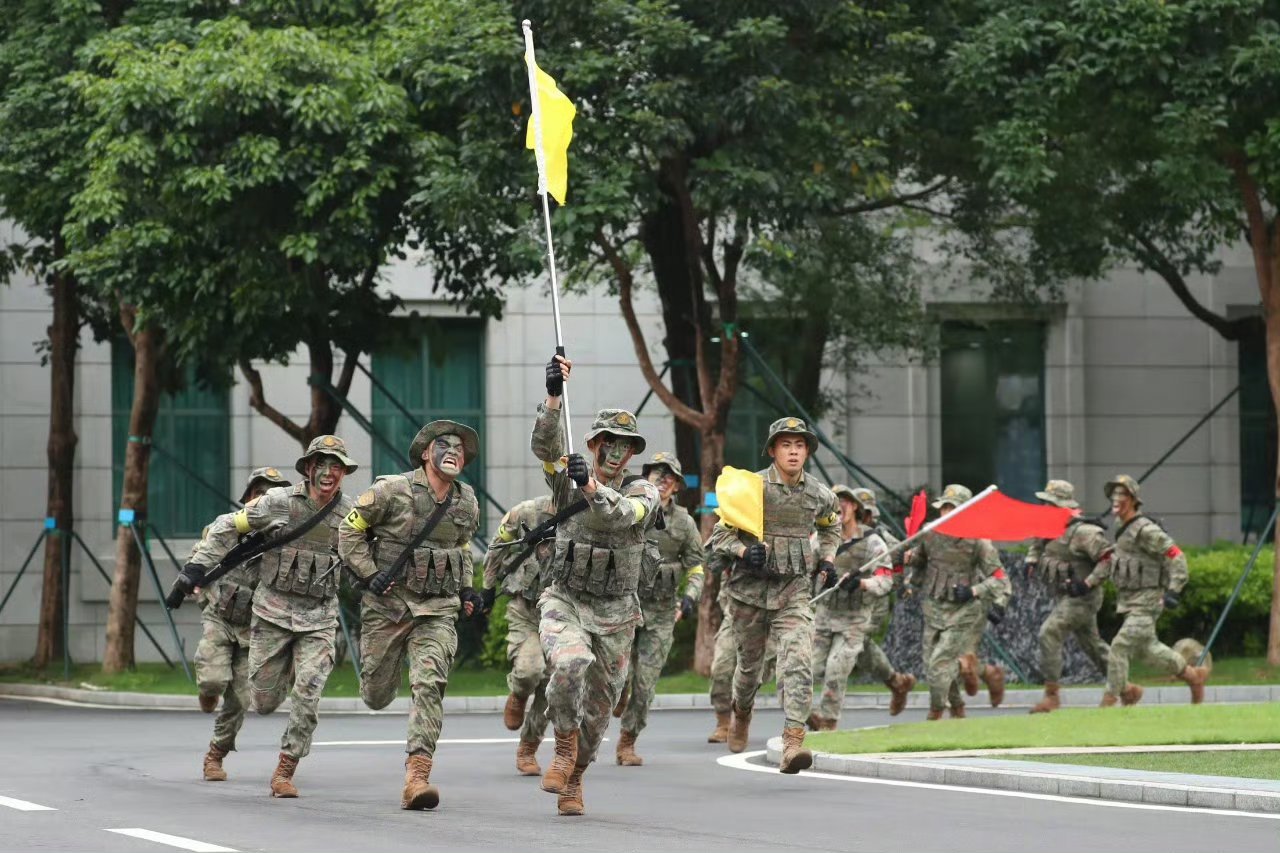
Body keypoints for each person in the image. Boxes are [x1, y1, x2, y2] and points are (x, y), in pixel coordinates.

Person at [182, 435, 356, 797]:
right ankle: (237, 689)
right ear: (308, 468)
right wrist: (196, 567)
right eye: (321, 464)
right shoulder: (278, 505)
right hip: (269, 616)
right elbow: (228, 526)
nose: (329, 473)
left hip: (319, 619)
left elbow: (373, 550)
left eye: (337, 466)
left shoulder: (349, 516)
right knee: (261, 700)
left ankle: (284, 770)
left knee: (308, 694)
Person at [532, 354, 660, 816]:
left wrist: (592, 489)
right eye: (606, 441)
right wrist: (552, 397)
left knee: (600, 712)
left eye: (624, 445)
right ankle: (561, 749)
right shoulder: (568, 475)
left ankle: (577, 774)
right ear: (592, 443)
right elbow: (545, 450)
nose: (614, 451)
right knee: (569, 663)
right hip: (564, 599)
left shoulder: (645, 492)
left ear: (632, 454)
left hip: (617, 614)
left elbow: (623, 515)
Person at [338, 420, 484, 810]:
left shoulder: (466, 501)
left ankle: (417, 776)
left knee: (430, 683)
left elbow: (462, 546)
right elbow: (348, 532)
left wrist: (467, 588)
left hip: (437, 609)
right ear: (425, 453)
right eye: (444, 444)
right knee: (376, 694)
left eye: (460, 448)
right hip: (388, 607)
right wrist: (369, 575)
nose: (454, 450)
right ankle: (379, 681)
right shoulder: (390, 490)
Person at [709, 417, 840, 774]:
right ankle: (741, 713)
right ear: (772, 451)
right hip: (748, 594)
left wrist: (828, 559)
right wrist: (741, 552)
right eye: (786, 444)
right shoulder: (751, 489)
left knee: (798, 661)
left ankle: (793, 743)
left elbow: (833, 525)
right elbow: (718, 538)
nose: (794, 450)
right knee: (749, 670)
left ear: (808, 452)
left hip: (793, 592)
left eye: (800, 445)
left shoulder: (819, 494)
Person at [190, 467, 291, 781]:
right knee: (212, 680)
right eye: (259, 492)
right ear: (248, 497)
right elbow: (200, 557)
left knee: (239, 699)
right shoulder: (224, 527)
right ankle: (207, 690)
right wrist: (195, 583)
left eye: (272, 495)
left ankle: (215, 757)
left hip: (253, 628)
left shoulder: (283, 539)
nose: (264, 499)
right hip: (219, 616)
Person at [1074, 475, 1208, 707]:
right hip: (1129, 601)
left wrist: (1174, 589)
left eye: (1122, 494)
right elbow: (1114, 559)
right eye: (1113, 494)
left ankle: (1109, 701)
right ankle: (1192, 676)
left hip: (1148, 600)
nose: (1116, 499)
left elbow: (1176, 554)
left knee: (1119, 645)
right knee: (1150, 650)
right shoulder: (1121, 528)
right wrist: (1088, 582)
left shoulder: (1145, 529)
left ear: (1134, 500)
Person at [615, 452, 706, 766]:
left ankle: (628, 741)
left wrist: (690, 598)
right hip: (625, 603)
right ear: (646, 477)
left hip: (664, 610)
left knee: (646, 682)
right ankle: (618, 691)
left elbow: (696, 566)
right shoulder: (630, 509)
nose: (663, 480)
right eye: (657, 473)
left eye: (670, 476)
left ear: (677, 485)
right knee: (616, 673)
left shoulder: (684, 523)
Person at [905, 484, 1010, 720]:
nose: (946, 513)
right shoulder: (929, 534)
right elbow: (919, 563)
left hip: (964, 611)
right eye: (944, 508)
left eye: (953, 508)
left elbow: (999, 578)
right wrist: (909, 560)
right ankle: (958, 705)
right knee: (931, 663)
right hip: (934, 608)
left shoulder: (978, 542)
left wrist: (974, 590)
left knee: (939, 663)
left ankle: (935, 712)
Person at [807, 485, 894, 730]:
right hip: (823, 616)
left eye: (844, 501)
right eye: (834, 502)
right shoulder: (820, 540)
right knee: (804, 670)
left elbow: (886, 578)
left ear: (854, 506)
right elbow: (803, 573)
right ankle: (806, 715)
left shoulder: (872, 542)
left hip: (854, 619)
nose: (839, 506)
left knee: (837, 668)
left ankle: (828, 722)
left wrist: (863, 584)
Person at [483, 493, 556, 775]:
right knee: (529, 670)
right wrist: (488, 588)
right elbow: (497, 546)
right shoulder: (526, 512)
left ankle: (528, 747)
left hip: (562, 613)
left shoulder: (589, 517)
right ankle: (518, 691)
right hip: (525, 608)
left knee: (553, 684)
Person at [1025, 479, 1111, 713]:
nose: (1044, 508)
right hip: (1065, 596)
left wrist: (1087, 583)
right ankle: (1124, 688)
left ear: (1062, 507)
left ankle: (1052, 696)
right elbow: (1038, 544)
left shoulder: (1085, 532)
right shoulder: (1048, 528)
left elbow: (1109, 560)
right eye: (1044, 503)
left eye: (1049, 504)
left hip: (1083, 598)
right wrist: (1031, 560)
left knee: (1049, 632)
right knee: (1093, 646)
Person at [846, 488, 916, 716]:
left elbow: (902, 554)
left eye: (869, 513)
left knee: (857, 640)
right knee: (854, 644)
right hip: (846, 600)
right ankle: (896, 681)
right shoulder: (844, 531)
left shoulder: (880, 536)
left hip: (872, 599)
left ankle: (895, 681)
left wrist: (906, 563)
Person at [705, 551, 778, 743]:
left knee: (756, 674)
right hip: (734, 616)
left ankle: (742, 717)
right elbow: (711, 558)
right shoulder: (733, 530)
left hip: (769, 616)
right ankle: (723, 723)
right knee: (720, 668)